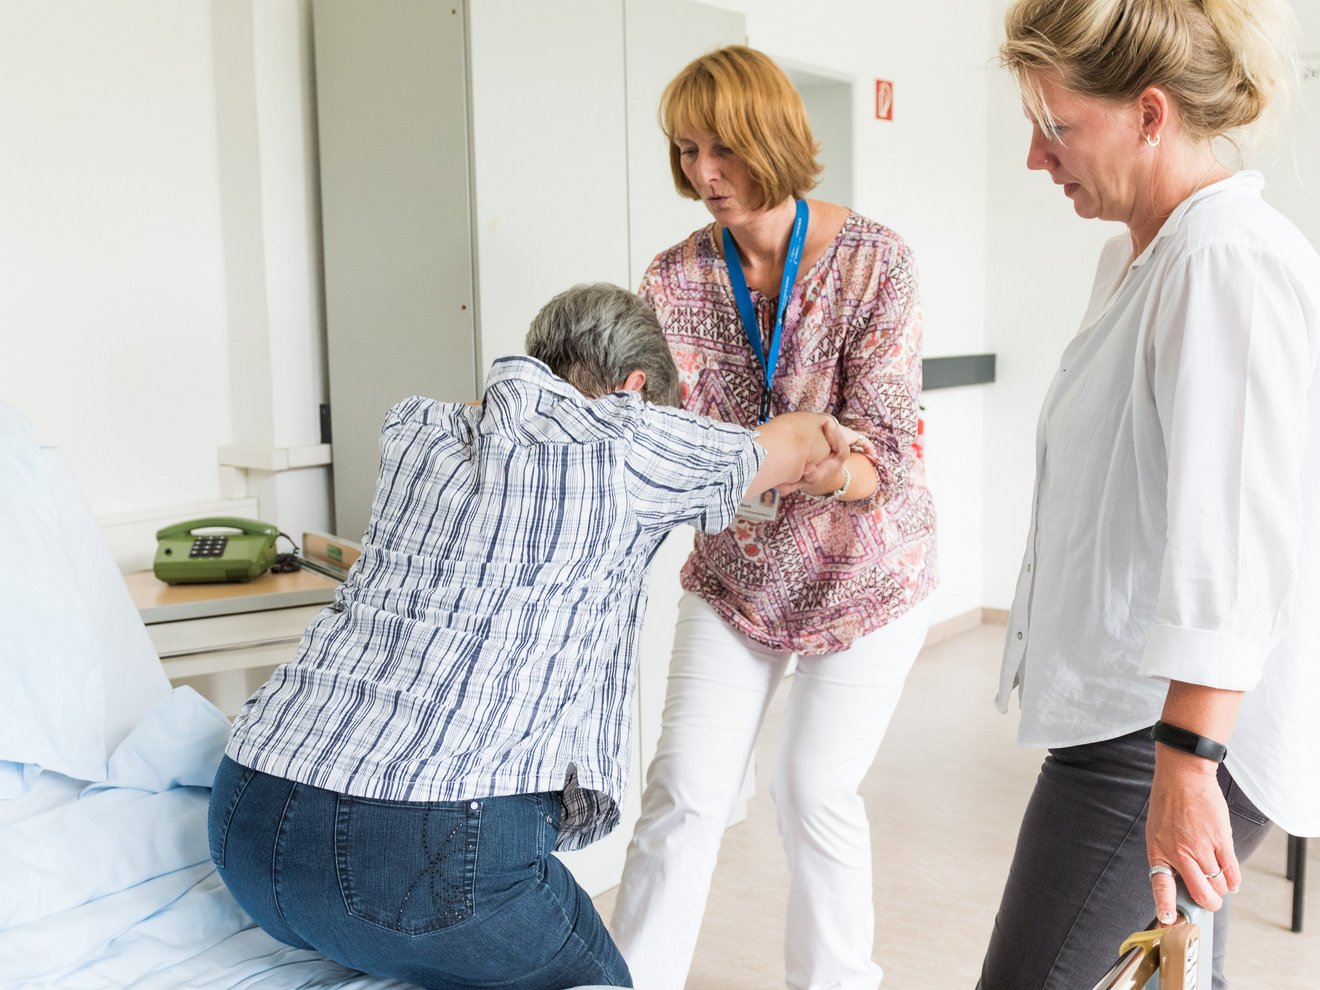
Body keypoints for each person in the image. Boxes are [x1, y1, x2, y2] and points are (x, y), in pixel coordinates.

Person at [207, 283, 863, 990]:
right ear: (636, 388)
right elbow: (797, 441)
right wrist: (841, 455)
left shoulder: (417, 430)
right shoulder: (628, 441)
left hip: (247, 823)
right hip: (418, 848)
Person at [979, 2, 1320, 988]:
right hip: (1142, 718)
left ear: (1151, 114)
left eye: (1058, 126)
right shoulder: (1143, 255)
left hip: (1159, 729)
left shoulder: (1225, 261)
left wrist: (1187, 764)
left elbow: (1237, 538)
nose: (1039, 159)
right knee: (1176, 976)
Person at [610, 46, 938, 990]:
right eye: (686, 151)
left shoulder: (876, 261)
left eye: (724, 149)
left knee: (810, 790)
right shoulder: (673, 279)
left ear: (774, 139)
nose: (704, 174)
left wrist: (802, 463)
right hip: (738, 575)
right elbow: (671, 438)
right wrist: (794, 447)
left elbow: (882, 462)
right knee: (684, 793)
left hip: (866, 575)